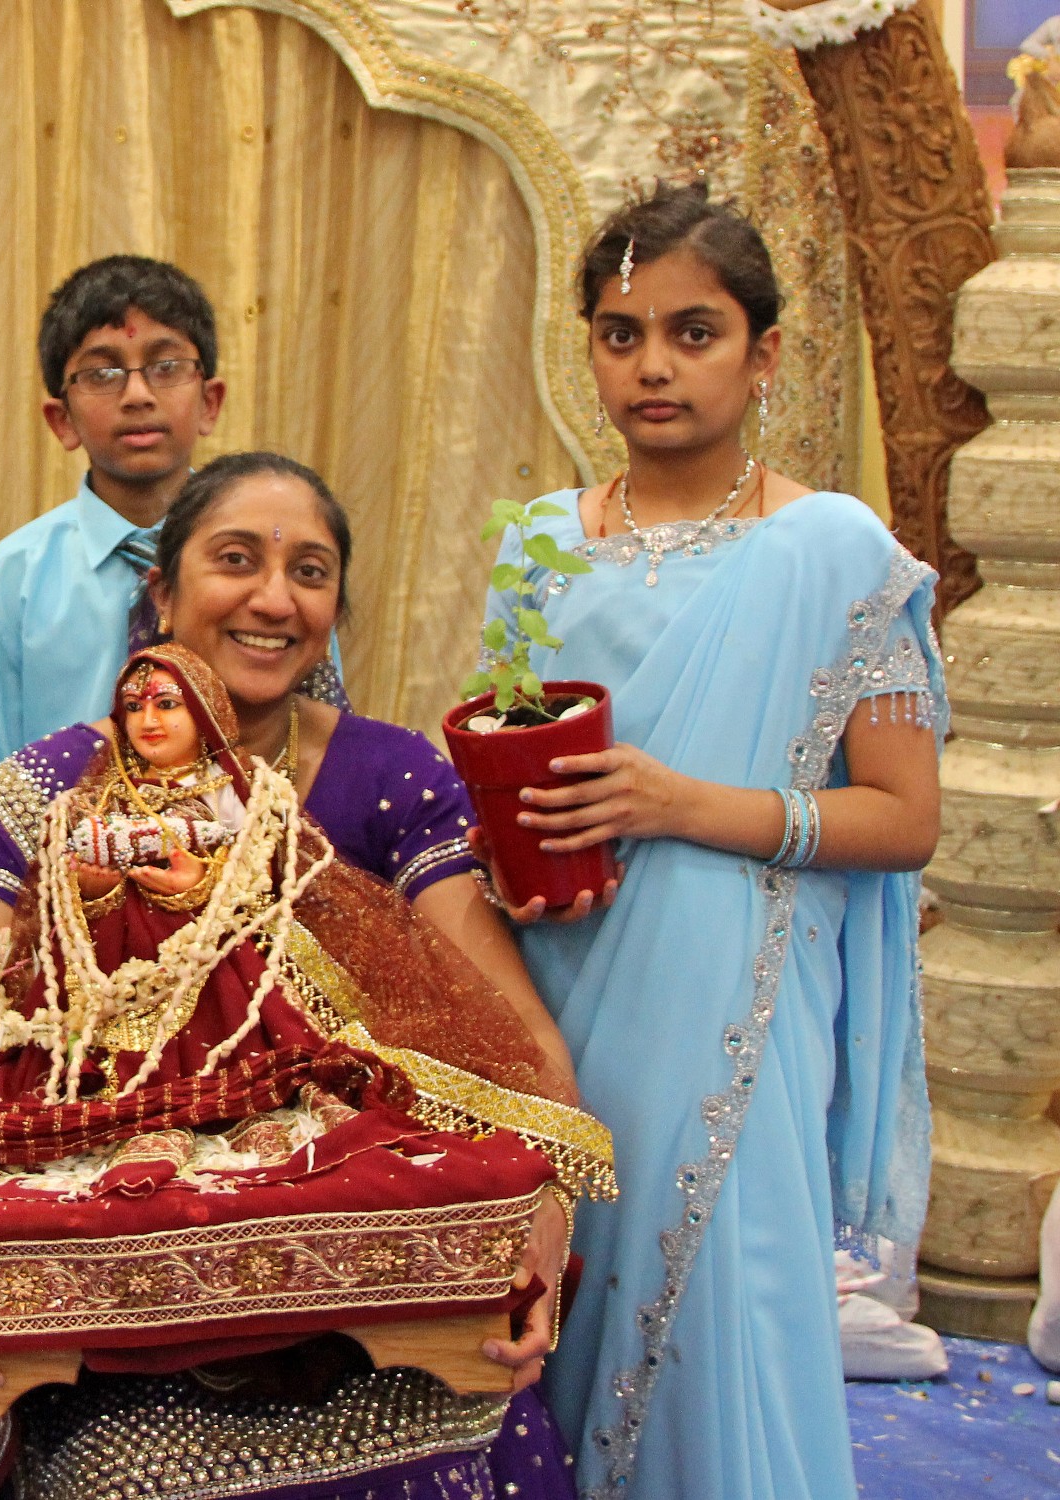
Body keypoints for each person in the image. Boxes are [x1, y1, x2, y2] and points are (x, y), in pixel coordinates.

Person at [0, 452, 594, 1500]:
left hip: (376, 1296)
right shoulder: (53, 790)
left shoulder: (390, 779)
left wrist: (538, 1224)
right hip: (119, 1306)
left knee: (478, 1427)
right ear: (162, 592)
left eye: (310, 570)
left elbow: (515, 1039)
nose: (273, 598)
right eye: (235, 560)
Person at [479, 182, 944, 1499]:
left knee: (720, 1297)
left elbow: (904, 818)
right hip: (561, 977)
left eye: (695, 331)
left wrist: (685, 806)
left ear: (765, 353)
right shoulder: (536, 549)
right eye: (621, 333)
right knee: (564, 1285)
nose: (655, 365)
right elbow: (505, 767)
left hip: (739, 986)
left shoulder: (833, 547)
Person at [0, 255, 226, 788]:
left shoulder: (267, 571)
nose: (138, 395)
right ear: (62, 419)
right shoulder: (1, 590)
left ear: (209, 402)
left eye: (166, 367)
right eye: (104, 373)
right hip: (60, 865)